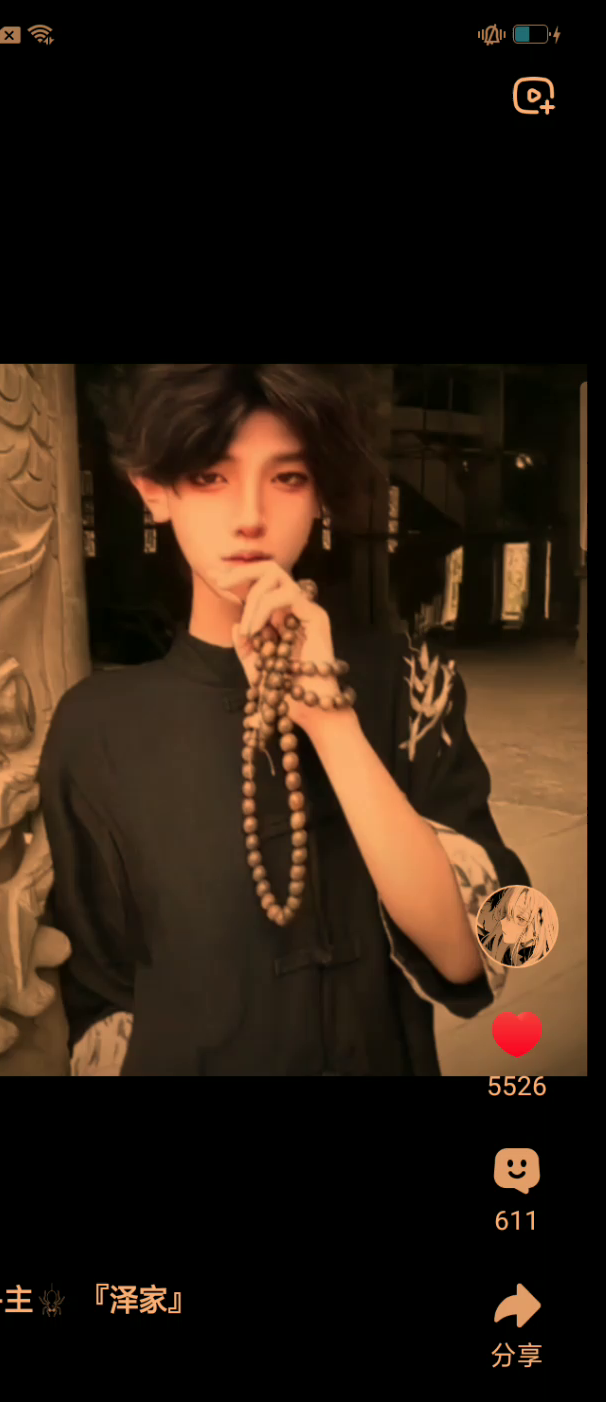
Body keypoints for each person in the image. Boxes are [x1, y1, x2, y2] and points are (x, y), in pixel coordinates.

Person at [37, 363, 531, 1076]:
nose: (251, 515)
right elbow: (101, 1003)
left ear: (320, 492)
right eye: (211, 476)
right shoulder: (95, 728)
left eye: (288, 477)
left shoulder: (408, 681)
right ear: (154, 490)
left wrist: (330, 722)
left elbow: (490, 946)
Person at [477, 886, 557, 968]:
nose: (503, 921)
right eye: (505, 912)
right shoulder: (498, 945)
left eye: (520, 918)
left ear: (542, 925)